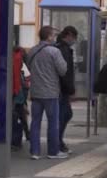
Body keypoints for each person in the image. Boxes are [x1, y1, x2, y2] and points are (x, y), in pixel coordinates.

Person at [27, 26, 68, 160]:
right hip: (50, 92)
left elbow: (29, 67)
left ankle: (35, 151)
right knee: (53, 123)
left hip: (35, 92)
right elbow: (62, 70)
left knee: (35, 122)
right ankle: (53, 151)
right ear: (49, 36)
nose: (55, 38)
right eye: (53, 35)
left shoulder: (32, 51)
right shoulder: (54, 51)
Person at [55, 26, 78, 154]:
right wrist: (70, 89)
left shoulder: (61, 47)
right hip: (62, 89)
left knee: (65, 114)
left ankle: (59, 141)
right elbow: (65, 72)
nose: (74, 40)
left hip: (61, 88)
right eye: (74, 37)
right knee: (63, 115)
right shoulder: (63, 49)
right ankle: (58, 142)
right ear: (68, 35)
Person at [11, 46, 29, 151]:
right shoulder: (19, 58)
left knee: (15, 117)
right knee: (20, 115)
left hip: (16, 92)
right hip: (19, 92)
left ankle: (16, 140)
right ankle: (23, 136)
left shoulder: (16, 58)